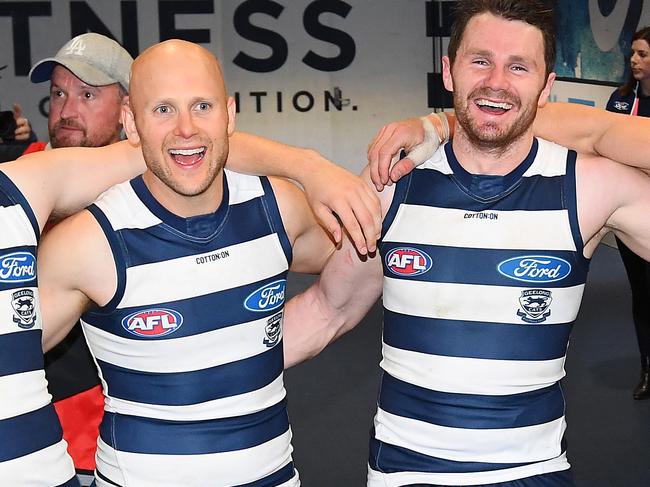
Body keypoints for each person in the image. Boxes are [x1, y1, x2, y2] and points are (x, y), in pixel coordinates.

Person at [284, 1, 650, 485]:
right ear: (448, 71)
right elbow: (329, 311)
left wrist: (441, 123)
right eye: (480, 61)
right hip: (403, 472)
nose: (496, 80)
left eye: (518, 67)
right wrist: (189, 365)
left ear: (546, 87)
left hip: (532, 473)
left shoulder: (593, 187)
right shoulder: (393, 185)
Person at [36, 39, 353, 487]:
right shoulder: (86, 244)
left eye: (201, 106)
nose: (186, 128)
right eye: (163, 110)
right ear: (132, 122)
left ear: (230, 114)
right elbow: (14, 355)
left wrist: (433, 131)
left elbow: (362, 266)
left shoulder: (277, 208)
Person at [26, 33, 134, 482]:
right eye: (58, 94)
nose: (67, 111)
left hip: (108, 449)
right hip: (19, 442)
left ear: (127, 111)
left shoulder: (156, 192)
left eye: (88, 95)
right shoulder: (17, 179)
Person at [604, 26, 650, 400]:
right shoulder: (620, 101)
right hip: (630, 217)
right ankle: (647, 367)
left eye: (642, 54)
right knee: (642, 294)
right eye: (633, 53)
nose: (634, 60)